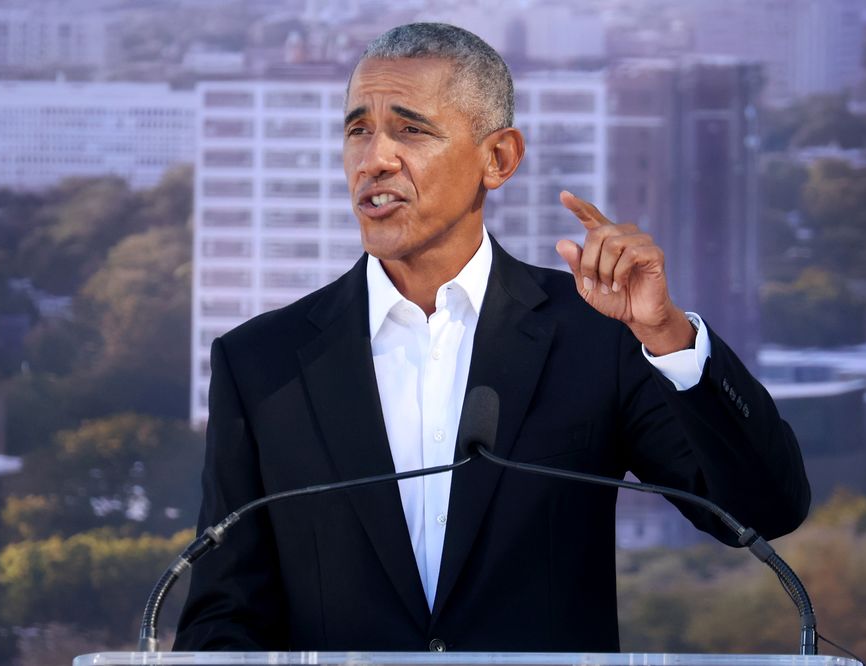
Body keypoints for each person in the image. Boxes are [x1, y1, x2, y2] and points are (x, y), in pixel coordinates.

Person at [174, 22, 810, 653]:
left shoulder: (597, 334)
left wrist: (667, 334)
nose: (375, 160)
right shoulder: (261, 361)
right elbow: (223, 617)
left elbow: (762, 511)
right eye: (358, 130)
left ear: (498, 158)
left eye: (410, 129)